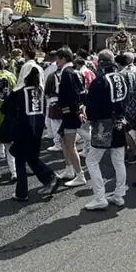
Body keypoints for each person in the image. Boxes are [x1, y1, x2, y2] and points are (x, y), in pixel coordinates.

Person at [1, 64, 62, 202]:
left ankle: (27, 189)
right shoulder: (40, 91)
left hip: (22, 130)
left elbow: (4, 109)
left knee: (21, 159)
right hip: (37, 130)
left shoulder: (19, 92)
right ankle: (47, 180)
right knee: (30, 158)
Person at [81, 49, 129, 210]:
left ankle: (100, 197)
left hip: (103, 124)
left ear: (100, 63)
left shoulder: (100, 81)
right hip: (119, 122)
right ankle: (119, 194)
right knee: (118, 160)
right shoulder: (121, 78)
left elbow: (92, 106)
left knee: (92, 160)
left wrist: (91, 119)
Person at [55, 47, 87, 184]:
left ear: (63, 58)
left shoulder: (67, 73)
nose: (56, 61)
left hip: (70, 112)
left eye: (57, 58)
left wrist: (76, 111)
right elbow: (82, 93)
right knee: (63, 140)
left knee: (70, 145)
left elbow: (72, 95)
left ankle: (80, 176)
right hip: (74, 110)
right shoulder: (76, 71)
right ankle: (69, 169)